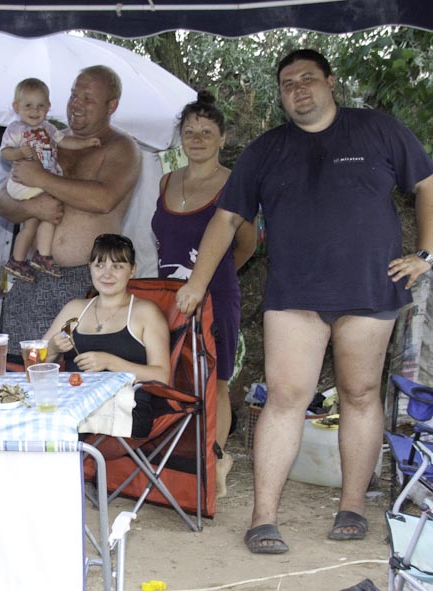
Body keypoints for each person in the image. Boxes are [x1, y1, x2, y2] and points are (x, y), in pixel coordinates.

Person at [176, 49, 433, 554]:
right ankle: (263, 517)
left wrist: (425, 253)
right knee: (284, 397)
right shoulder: (266, 149)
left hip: (368, 288)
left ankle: (352, 507)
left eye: (307, 79)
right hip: (294, 294)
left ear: (330, 82)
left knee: (360, 394)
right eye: (287, 83)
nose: (297, 89)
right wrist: (197, 284)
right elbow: (226, 219)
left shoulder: (378, 130)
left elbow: (426, 184)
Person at [151, 91, 257, 498]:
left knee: (217, 381)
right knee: (174, 375)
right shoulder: (166, 181)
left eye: (207, 132)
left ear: (223, 138)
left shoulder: (234, 185)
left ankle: (217, 460)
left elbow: (246, 244)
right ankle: (179, 458)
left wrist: (215, 276)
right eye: (190, 132)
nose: (197, 139)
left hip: (216, 297)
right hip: (169, 296)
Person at [0, 65, 142, 346]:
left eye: (88, 99)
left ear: (111, 106)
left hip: (89, 280)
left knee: (76, 368)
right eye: (74, 95)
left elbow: (103, 199)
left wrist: (42, 179)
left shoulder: (123, 147)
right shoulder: (44, 137)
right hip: (32, 274)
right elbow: (4, 202)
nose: (76, 104)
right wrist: (33, 209)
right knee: (21, 364)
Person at [43, 234, 170, 440]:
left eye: (117, 266)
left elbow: (162, 375)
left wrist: (110, 362)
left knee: (53, 425)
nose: (106, 274)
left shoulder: (146, 313)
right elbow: (34, 364)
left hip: (125, 407)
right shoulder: (75, 309)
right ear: (90, 268)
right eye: (99, 265)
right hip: (72, 402)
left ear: (132, 270)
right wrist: (52, 348)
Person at [1, 77, 101, 282]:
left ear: (48, 107)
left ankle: (19, 260)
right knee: (51, 208)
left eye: (40, 106)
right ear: (16, 107)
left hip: (39, 181)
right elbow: (5, 153)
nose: (35, 111)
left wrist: (85, 144)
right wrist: (19, 153)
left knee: (32, 224)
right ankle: (43, 255)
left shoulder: (49, 128)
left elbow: (65, 142)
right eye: (28, 106)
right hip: (24, 182)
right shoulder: (16, 129)